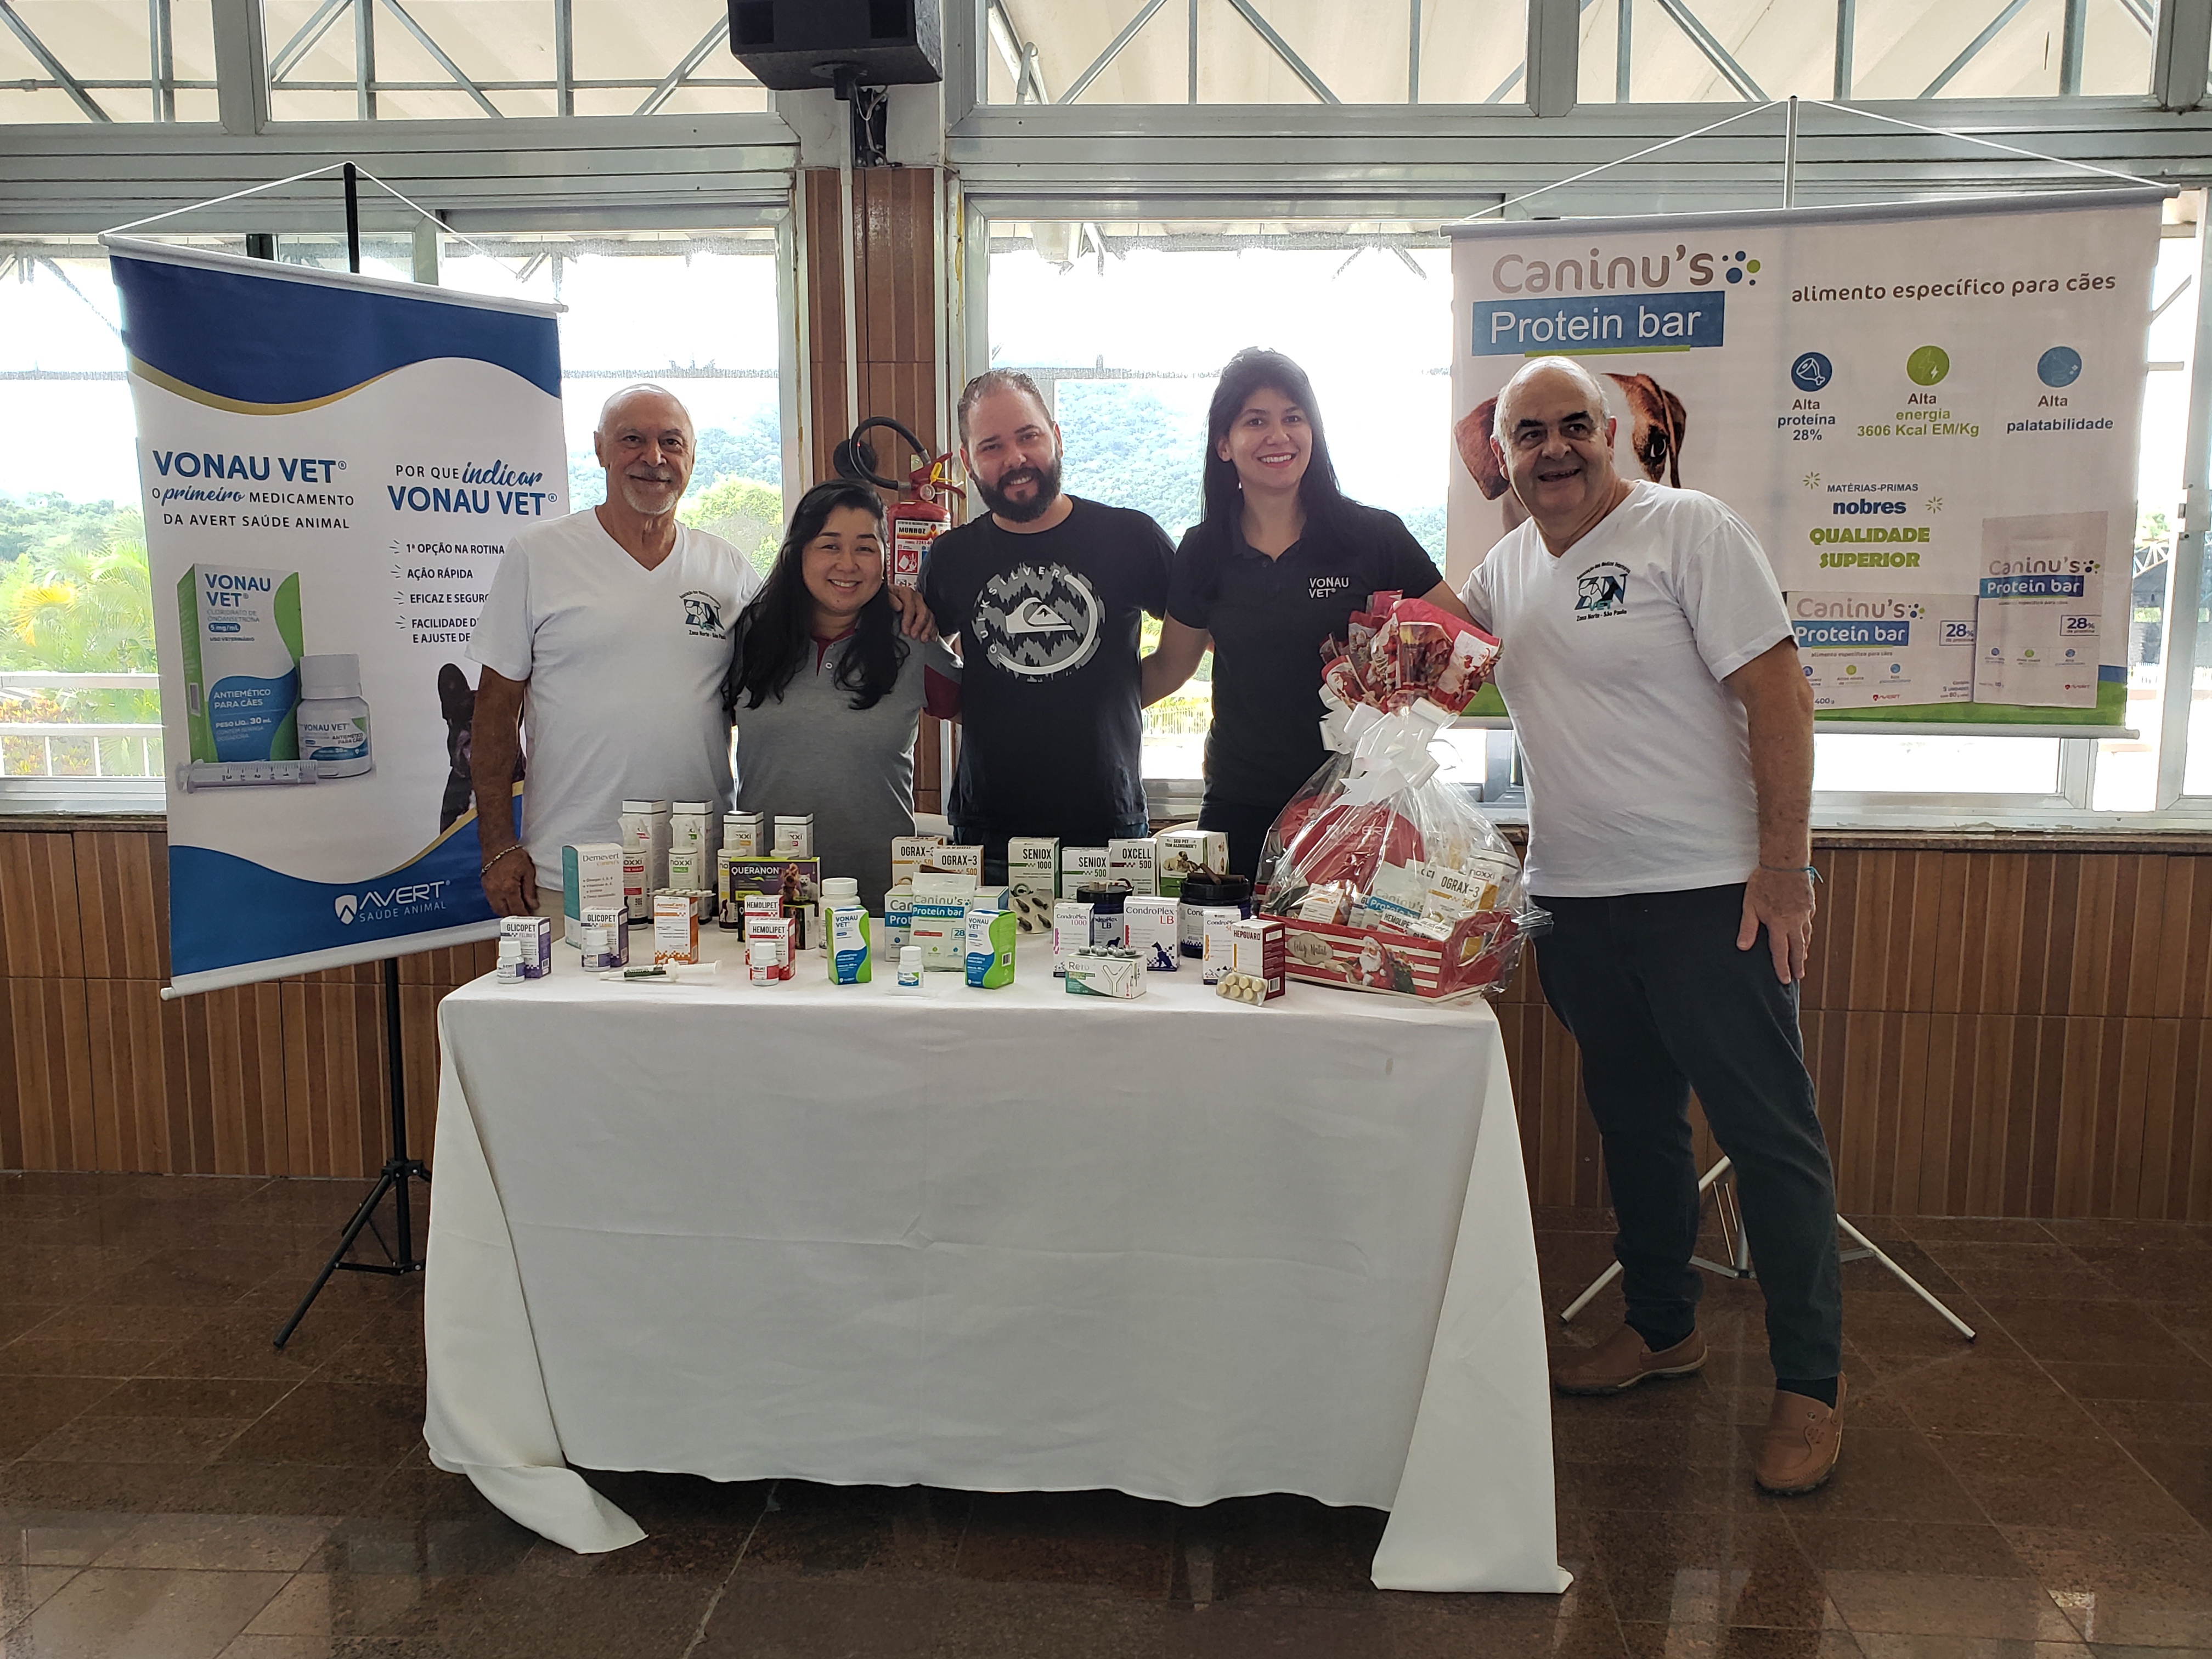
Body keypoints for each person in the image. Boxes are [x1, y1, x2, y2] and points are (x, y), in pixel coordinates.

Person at [1460, 356, 1843, 1496]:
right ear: (1502, 456)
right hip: (1574, 901)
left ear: (1615, 432)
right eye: (1529, 434)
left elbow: (1781, 694)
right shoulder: (1506, 567)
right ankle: (1663, 1327)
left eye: (1574, 426)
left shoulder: (1690, 530)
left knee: (1769, 1138)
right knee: (1635, 1127)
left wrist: (1785, 867)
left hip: (1711, 896)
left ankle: (1810, 1385)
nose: (1554, 449)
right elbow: (1422, 655)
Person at [1143, 348, 1477, 878]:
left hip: (1357, 804)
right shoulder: (1203, 550)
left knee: (1348, 938)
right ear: (1224, 444)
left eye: (1293, 418)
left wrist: (1404, 695)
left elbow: (1465, 642)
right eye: (1256, 421)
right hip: (1238, 806)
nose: (1279, 436)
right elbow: (1169, 668)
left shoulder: (1373, 537)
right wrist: (1073, 709)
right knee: (1233, 935)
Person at [468, 384, 763, 917]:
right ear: (600, 449)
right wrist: (497, 844)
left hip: (699, 871)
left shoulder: (728, 569)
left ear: (692, 456)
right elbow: (494, 709)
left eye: (671, 442)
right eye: (633, 440)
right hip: (571, 870)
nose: (654, 458)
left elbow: (784, 675)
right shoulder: (538, 554)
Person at [921, 370, 1172, 873]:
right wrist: (977, 705)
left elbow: (1200, 637)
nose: (1015, 459)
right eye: (992, 446)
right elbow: (923, 652)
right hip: (987, 829)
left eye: (1028, 436)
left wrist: (1114, 693)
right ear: (969, 462)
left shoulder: (1131, 537)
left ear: (1056, 437)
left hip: (1108, 822)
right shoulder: (951, 556)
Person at [724, 479, 961, 911]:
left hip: (880, 906)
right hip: (765, 901)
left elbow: (989, 715)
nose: (848, 564)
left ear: (884, 559)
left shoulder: (913, 638)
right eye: (829, 546)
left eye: (865, 548)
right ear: (798, 552)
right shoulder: (750, 636)